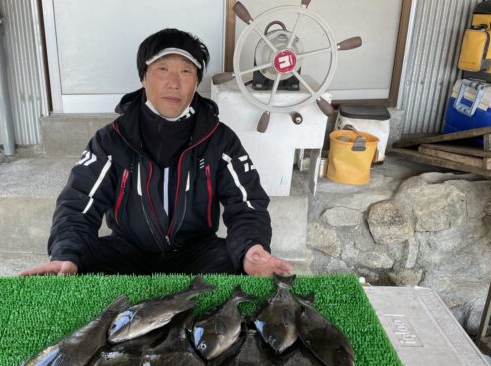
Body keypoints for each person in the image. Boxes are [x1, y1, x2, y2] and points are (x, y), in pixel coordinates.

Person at [20, 28, 292, 277]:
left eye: (185, 71)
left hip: (198, 253)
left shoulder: (220, 139)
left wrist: (251, 247)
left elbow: (247, 205)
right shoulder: (110, 140)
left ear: (196, 81)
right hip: (128, 252)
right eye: (162, 69)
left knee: (240, 267)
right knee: (78, 268)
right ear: (143, 77)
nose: (174, 83)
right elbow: (78, 205)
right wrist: (67, 253)